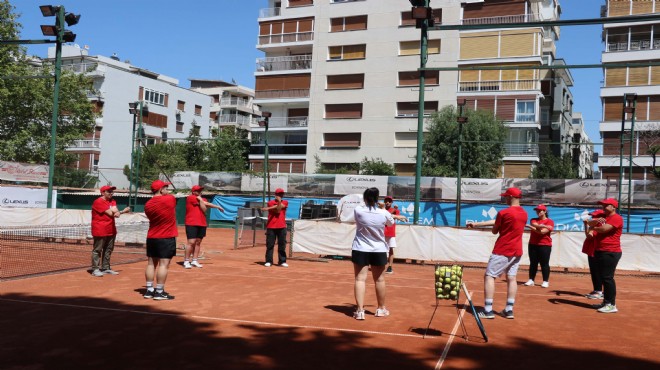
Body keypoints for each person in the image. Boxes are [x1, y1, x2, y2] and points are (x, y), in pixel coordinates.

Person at [466, 187, 528, 320]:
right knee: (511, 278)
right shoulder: (524, 213)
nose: (504, 198)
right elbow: (499, 222)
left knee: (489, 276)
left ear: (511, 197)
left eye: (506, 196)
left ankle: (488, 310)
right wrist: (477, 224)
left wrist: (495, 226)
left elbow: (495, 230)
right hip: (517, 251)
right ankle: (509, 310)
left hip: (503, 249)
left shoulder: (504, 213)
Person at [351, 187, 395, 320]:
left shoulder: (358, 210)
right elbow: (390, 222)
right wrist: (382, 208)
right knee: (380, 279)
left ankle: (360, 311)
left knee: (360, 279)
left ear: (365, 198)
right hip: (379, 249)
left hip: (360, 248)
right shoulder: (384, 213)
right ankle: (381, 309)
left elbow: (361, 212)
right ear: (377, 199)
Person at [143, 180, 178, 300]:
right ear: (161, 189)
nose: (167, 190)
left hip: (152, 237)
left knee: (151, 264)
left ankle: (149, 290)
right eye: (166, 187)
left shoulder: (148, 204)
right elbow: (173, 200)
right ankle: (159, 291)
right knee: (164, 265)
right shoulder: (169, 199)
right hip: (166, 237)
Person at [588, 198, 623, 313]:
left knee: (607, 278)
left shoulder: (616, 218)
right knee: (604, 277)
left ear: (614, 207)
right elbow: (588, 222)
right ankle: (606, 302)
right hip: (601, 250)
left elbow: (603, 229)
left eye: (606, 205)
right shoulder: (603, 217)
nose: (603, 206)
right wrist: (593, 223)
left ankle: (611, 304)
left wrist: (593, 227)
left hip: (610, 251)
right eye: (603, 205)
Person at [90, 185, 130, 277]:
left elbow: (115, 213)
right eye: (109, 191)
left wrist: (117, 212)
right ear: (103, 192)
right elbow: (110, 213)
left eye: (112, 191)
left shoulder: (113, 201)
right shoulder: (98, 202)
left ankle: (105, 268)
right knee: (97, 250)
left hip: (111, 229)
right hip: (100, 229)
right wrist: (123, 211)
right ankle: (95, 269)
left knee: (108, 249)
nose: (111, 193)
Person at [183, 185, 225, 269]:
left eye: (200, 190)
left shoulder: (202, 199)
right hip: (191, 223)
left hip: (202, 223)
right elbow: (205, 204)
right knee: (191, 242)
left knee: (198, 242)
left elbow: (205, 207)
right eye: (198, 191)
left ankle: (195, 260)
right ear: (193, 192)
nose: (199, 192)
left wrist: (201, 200)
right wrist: (218, 206)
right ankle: (186, 261)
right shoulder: (190, 198)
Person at [524, 204, 555, 288]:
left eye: (540, 210)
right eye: (537, 210)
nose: (538, 212)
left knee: (544, 263)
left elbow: (542, 232)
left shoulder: (550, 221)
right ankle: (531, 280)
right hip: (533, 244)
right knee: (533, 263)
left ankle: (545, 281)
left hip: (545, 245)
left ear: (545, 211)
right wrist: (539, 226)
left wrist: (531, 227)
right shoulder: (533, 219)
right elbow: (535, 225)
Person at [261, 188, 289, 267]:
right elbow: (277, 210)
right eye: (279, 194)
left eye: (282, 194)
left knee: (282, 245)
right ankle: (269, 261)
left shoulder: (286, 202)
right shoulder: (270, 202)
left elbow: (279, 209)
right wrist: (273, 206)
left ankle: (282, 261)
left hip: (282, 226)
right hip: (271, 226)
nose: (280, 195)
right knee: (270, 245)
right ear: (275, 195)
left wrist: (268, 208)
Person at [380, 196, 407, 274]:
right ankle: (381, 265)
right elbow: (385, 215)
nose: (388, 202)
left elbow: (392, 217)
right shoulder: (381, 210)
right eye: (386, 201)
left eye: (389, 201)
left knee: (390, 249)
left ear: (391, 202)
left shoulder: (396, 211)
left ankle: (390, 267)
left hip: (390, 233)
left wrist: (394, 210)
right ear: (384, 202)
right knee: (381, 250)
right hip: (382, 232)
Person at [583, 210, 605, 300]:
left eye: (594, 216)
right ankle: (597, 290)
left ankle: (599, 291)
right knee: (594, 271)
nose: (592, 218)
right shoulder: (594, 225)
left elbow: (590, 236)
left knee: (597, 272)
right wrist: (586, 225)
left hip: (596, 250)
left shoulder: (599, 226)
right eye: (592, 216)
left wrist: (588, 225)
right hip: (591, 250)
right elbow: (587, 235)